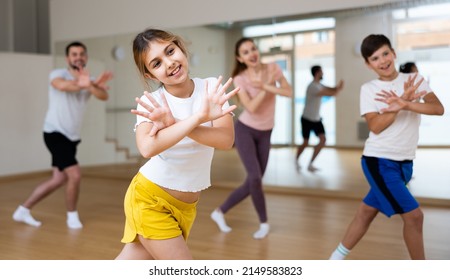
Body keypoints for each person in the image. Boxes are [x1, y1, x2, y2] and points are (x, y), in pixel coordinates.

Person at [115, 28, 238, 260]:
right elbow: (147, 147)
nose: (169, 63)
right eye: (157, 63)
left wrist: (177, 123)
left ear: (181, 48)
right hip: (149, 199)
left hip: (185, 207)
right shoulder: (152, 102)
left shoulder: (211, 87)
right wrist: (197, 119)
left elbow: (225, 140)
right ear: (151, 75)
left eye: (170, 51)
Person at [329, 34, 444, 260]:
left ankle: (333, 261)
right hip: (379, 161)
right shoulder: (369, 89)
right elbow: (375, 126)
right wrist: (398, 105)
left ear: (393, 52)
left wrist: (407, 102)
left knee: (366, 212)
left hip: (405, 163)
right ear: (368, 64)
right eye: (375, 58)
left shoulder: (415, 79)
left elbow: (438, 109)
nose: (382, 61)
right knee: (414, 217)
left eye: (385, 54)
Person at [12, 41, 112, 229]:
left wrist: (91, 85)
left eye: (82, 54)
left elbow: (103, 96)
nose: (78, 57)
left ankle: (23, 210)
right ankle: (72, 216)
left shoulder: (89, 80)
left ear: (86, 57)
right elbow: (63, 86)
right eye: (74, 54)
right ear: (67, 58)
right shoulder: (58, 74)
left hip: (71, 137)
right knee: (74, 175)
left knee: (58, 179)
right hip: (54, 133)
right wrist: (87, 84)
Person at [210, 37, 292, 239]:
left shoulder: (273, 68)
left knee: (254, 181)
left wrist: (266, 85)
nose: (251, 54)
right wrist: (267, 87)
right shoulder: (240, 79)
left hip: (266, 131)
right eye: (245, 52)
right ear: (240, 58)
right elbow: (252, 108)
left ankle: (219, 211)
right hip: (245, 130)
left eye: (253, 49)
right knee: (255, 178)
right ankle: (264, 223)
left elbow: (288, 92)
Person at [295, 65, 344, 172]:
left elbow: (331, 89)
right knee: (305, 142)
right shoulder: (312, 86)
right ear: (317, 73)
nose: (323, 73)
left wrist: (337, 88)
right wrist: (337, 90)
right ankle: (296, 160)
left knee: (323, 140)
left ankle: (310, 164)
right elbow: (330, 93)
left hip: (316, 119)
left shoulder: (319, 85)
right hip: (307, 118)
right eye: (322, 72)